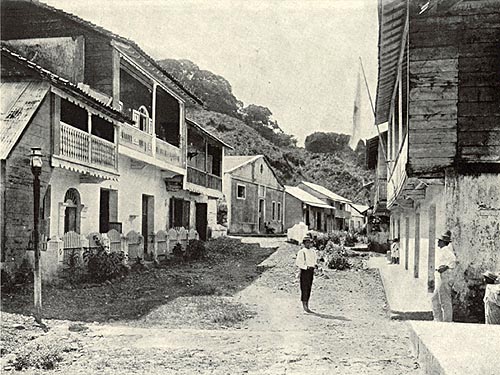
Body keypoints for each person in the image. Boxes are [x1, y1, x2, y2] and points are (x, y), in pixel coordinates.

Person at [431, 230, 457, 322]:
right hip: (439, 276)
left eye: (439, 241)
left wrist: (445, 267)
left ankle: (447, 321)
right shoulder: (442, 250)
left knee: (445, 300)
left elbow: (453, 261)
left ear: (443, 242)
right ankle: (437, 319)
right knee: (435, 298)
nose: (438, 242)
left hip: (444, 276)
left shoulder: (447, 250)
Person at [295, 234, 318, 313]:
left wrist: (315, 265)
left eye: (309, 242)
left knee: (309, 287)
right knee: (304, 288)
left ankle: (307, 303)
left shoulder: (313, 251)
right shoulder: (301, 252)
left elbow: (314, 260)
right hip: (304, 271)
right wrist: (305, 267)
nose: (308, 244)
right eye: (307, 243)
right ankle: (304, 305)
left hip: (311, 271)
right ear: (304, 243)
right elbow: (298, 263)